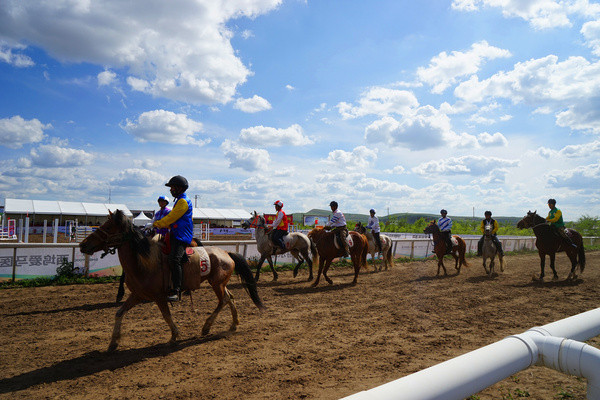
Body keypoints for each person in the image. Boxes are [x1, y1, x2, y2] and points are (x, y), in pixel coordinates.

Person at [153, 175, 193, 302]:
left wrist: (156, 224)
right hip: (175, 234)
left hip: (181, 236)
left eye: (172, 187)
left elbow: (171, 218)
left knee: (174, 259)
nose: (170, 190)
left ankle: (176, 290)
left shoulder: (183, 201)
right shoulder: (179, 200)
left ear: (179, 188)